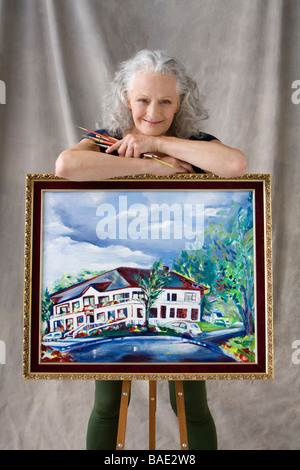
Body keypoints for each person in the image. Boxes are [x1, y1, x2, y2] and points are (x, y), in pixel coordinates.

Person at [56, 50, 247, 450]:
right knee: (108, 403)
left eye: (166, 101)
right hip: (123, 258)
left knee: (191, 404)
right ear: (127, 98)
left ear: (181, 103)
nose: (153, 110)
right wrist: (153, 165)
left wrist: (158, 142)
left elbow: (234, 165)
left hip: (171, 258)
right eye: (143, 99)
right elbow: (66, 167)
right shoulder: (105, 140)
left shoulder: (193, 144)